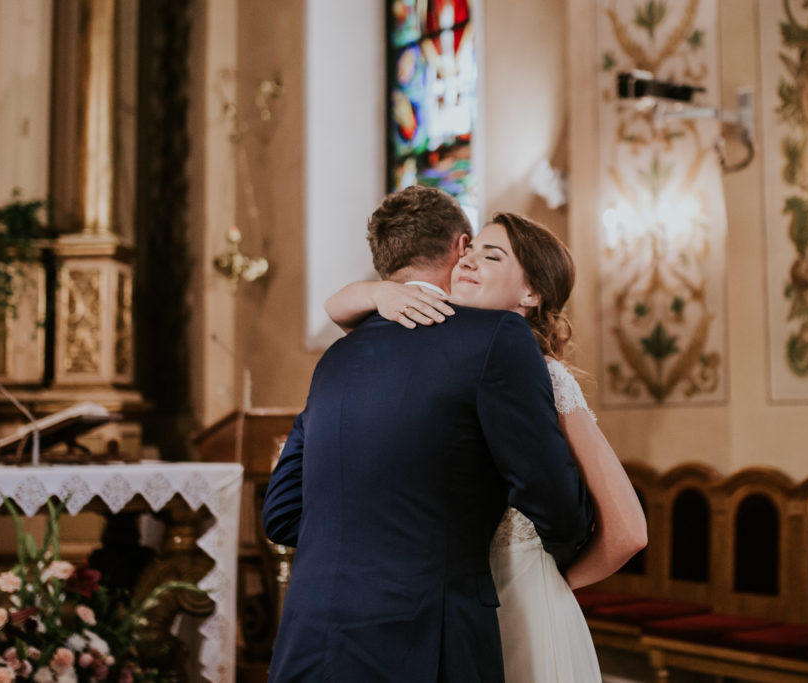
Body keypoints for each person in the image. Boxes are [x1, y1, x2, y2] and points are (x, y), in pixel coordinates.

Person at [262, 186, 594, 682]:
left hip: (312, 640)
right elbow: (558, 506)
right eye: (476, 249)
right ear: (460, 248)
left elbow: (283, 514)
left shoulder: (336, 359)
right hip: (425, 644)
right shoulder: (498, 339)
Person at [326, 211, 648, 682]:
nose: (467, 261)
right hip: (450, 613)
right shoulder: (443, 361)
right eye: (469, 250)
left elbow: (628, 532)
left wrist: (550, 584)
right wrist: (380, 293)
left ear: (531, 293)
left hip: (521, 608)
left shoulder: (549, 377)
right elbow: (338, 308)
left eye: (490, 254)